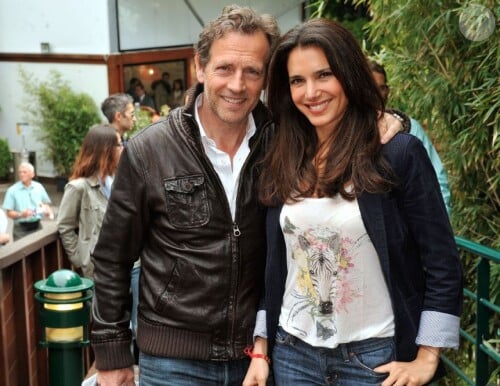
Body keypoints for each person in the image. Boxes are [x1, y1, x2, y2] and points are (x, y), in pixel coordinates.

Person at [90, 6, 403, 386]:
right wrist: (112, 355)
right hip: (173, 360)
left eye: (252, 71)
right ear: (200, 68)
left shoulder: (286, 140)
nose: (237, 85)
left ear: (266, 78)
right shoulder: (149, 150)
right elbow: (112, 259)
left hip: (261, 358)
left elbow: (342, 119)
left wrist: (386, 117)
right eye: (224, 68)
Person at [244, 19, 463, 386]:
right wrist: (262, 350)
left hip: (373, 359)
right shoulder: (282, 156)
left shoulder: (397, 153)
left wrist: (427, 356)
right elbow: (276, 267)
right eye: (297, 81)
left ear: (348, 73)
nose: (310, 92)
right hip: (293, 354)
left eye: (324, 74)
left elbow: (442, 261)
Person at [369, 59, 451, 214]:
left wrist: (439, 226)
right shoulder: (345, 130)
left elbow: (437, 180)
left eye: (381, 88)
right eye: (370, 88)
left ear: (387, 91)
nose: (376, 95)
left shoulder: (410, 127)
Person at [57, 124, 123, 278]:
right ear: (106, 150)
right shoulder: (78, 187)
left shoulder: (120, 180)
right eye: (119, 144)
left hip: (129, 265)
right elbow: (64, 226)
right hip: (98, 270)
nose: (123, 148)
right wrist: (80, 259)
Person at [3, 162, 53, 241]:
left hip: (37, 226)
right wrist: (21, 214)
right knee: (21, 252)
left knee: (40, 252)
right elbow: (8, 213)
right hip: (20, 230)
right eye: (20, 172)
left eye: (24, 172)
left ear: (32, 174)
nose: (22, 174)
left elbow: (45, 204)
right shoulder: (12, 190)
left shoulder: (38, 187)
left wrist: (48, 212)